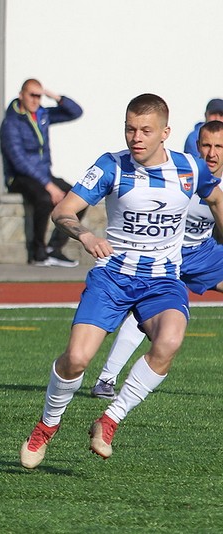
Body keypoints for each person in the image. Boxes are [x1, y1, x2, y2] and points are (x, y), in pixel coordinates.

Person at [20, 94, 223, 470]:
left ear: (165, 132)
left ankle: (109, 420)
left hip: (162, 279)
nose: (136, 137)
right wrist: (85, 235)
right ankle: (46, 426)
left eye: (145, 130)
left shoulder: (190, 168)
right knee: (77, 359)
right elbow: (63, 211)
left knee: (169, 342)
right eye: (130, 129)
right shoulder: (110, 166)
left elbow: (215, 198)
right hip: (113, 276)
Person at [91, 119, 223, 399]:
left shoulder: (213, 186)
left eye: (219, 147)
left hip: (202, 252)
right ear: (197, 146)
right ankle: (106, 378)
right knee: (148, 306)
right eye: (206, 146)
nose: (212, 153)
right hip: (161, 253)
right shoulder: (183, 174)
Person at [0, 79, 84, 267]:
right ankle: (38, 253)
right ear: (21, 95)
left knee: (78, 197)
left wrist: (53, 95)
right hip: (20, 177)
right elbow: (19, 161)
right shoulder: (11, 122)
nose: (35, 100)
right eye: (32, 95)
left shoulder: (42, 114)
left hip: (43, 174)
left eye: (39, 96)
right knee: (44, 199)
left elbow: (75, 112)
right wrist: (48, 185)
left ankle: (54, 249)